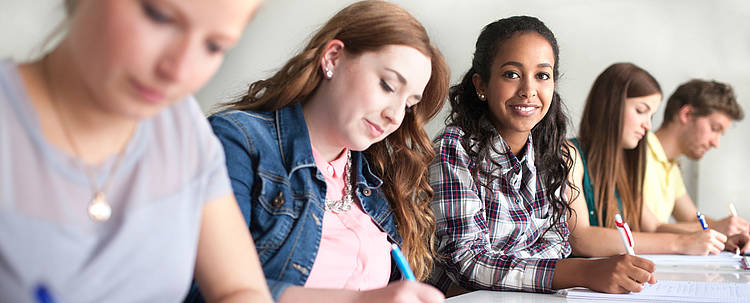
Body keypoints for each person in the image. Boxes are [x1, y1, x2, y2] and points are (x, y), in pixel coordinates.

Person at [0, 0, 272, 302]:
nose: (179, 71)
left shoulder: (184, 128)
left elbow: (239, 289)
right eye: (159, 17)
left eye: (214, 46)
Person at [190, 1, 449, 302]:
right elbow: (203, 291)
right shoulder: (237, 142)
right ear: (333, 57)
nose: (395, 115)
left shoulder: (376, 180)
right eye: (388, 85)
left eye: (409, 104)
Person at [429, 16, 656, 295]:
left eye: (542, 75)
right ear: (482, 85)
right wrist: (580, 272)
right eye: (511, 74)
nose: (528, 91)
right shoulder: (456, 149)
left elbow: (558, 243)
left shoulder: (549, 150)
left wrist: (512, 269)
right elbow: (467, 262)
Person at [567, 63, 749, 257]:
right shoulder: (571, 154)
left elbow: (654, 226)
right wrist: (681, 243)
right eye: (640, 111)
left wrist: (718, 239)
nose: (647, 125)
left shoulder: (622, 163)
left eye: (651, 115)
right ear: (611, 106)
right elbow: (581, 238)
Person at [641, 79, 748, 237]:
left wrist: (733, 229)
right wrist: (717, 229)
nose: (716, 143)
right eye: (714, 128)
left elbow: (692, 218)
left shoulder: (671, 166)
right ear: (687, 114)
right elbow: (649, 227)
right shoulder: (636, 153)